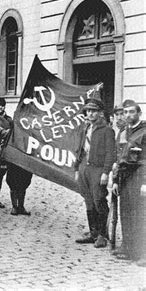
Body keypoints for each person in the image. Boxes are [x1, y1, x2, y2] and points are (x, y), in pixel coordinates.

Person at [74, 98, 115, 248]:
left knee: (99, 200)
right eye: (88, 111)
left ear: (100, 113)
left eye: (93, 111)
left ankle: (103, 235)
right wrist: (77, 169)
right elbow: (79, 150)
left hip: (97, 169)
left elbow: (111, 153)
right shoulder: (85, 129)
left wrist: (105, 172)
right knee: (88, 200)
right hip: (84, 167)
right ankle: (93, 232)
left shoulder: (107, 130)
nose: (90, 114)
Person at [111, 100, 146, 265]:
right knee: (126, 213)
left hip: (139, 177)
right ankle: (128, 248)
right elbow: (119, 158)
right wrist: (116, 180)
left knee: (141, 215)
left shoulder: (144, 132)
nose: (128, 115)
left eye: (132, 112)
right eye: (125, 112)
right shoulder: (123, 132)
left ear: (139, 113)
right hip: (125, 178)